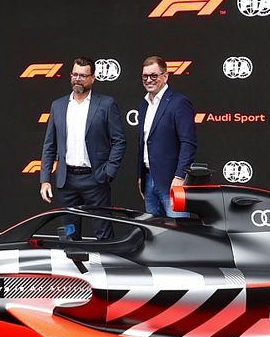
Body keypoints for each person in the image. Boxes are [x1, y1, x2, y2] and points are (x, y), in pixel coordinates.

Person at [39, 57, 126, 240]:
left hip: (95, 179)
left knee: (103, 233)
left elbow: (119, 141)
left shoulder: (106, 104)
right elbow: (49, 145)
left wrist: (108, 172)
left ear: (92, 78)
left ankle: (106, 260)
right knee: (69, 235)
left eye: (83, 76)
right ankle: (73, 259)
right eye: (75, 74)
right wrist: (45, 179)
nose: (78, 79)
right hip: (66, 181)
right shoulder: (58, 105)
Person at [136, 56, 197, 217]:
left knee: (178, 230)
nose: (149, 80)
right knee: (154, 230)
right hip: (148, 180)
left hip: (172, 181)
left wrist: (180, 176)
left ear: (165, 76)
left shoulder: (179, 102)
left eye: (153, 75)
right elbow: (144, 143)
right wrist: (141, 175)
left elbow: (188, 143)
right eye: (145, 76)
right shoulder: (143, 105)